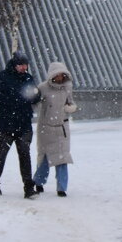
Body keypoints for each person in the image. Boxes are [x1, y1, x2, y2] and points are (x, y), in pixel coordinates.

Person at [0, 51, 41, 198]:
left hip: (24, 123)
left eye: (25, 65)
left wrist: (35, 95)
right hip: (5, 123)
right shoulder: (2, 77)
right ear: (14, 65)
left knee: (25, 155)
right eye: (21, 65)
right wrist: (7, 99)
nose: (24, 68)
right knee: (1, 154)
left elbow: (35, 96)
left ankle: (28, 187)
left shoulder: (28, 78)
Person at [33, 61, 78, 196]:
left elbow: (70, 101)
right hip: (46, 128)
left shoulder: (67, 87)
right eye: (57, 75)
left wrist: (71, 107)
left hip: (62, 128)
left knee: (62, 158)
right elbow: (34, 103)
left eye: (62, 74)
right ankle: (38, 182)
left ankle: (61, 188)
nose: (59, 77)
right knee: (45, 159)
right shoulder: (43, 88)